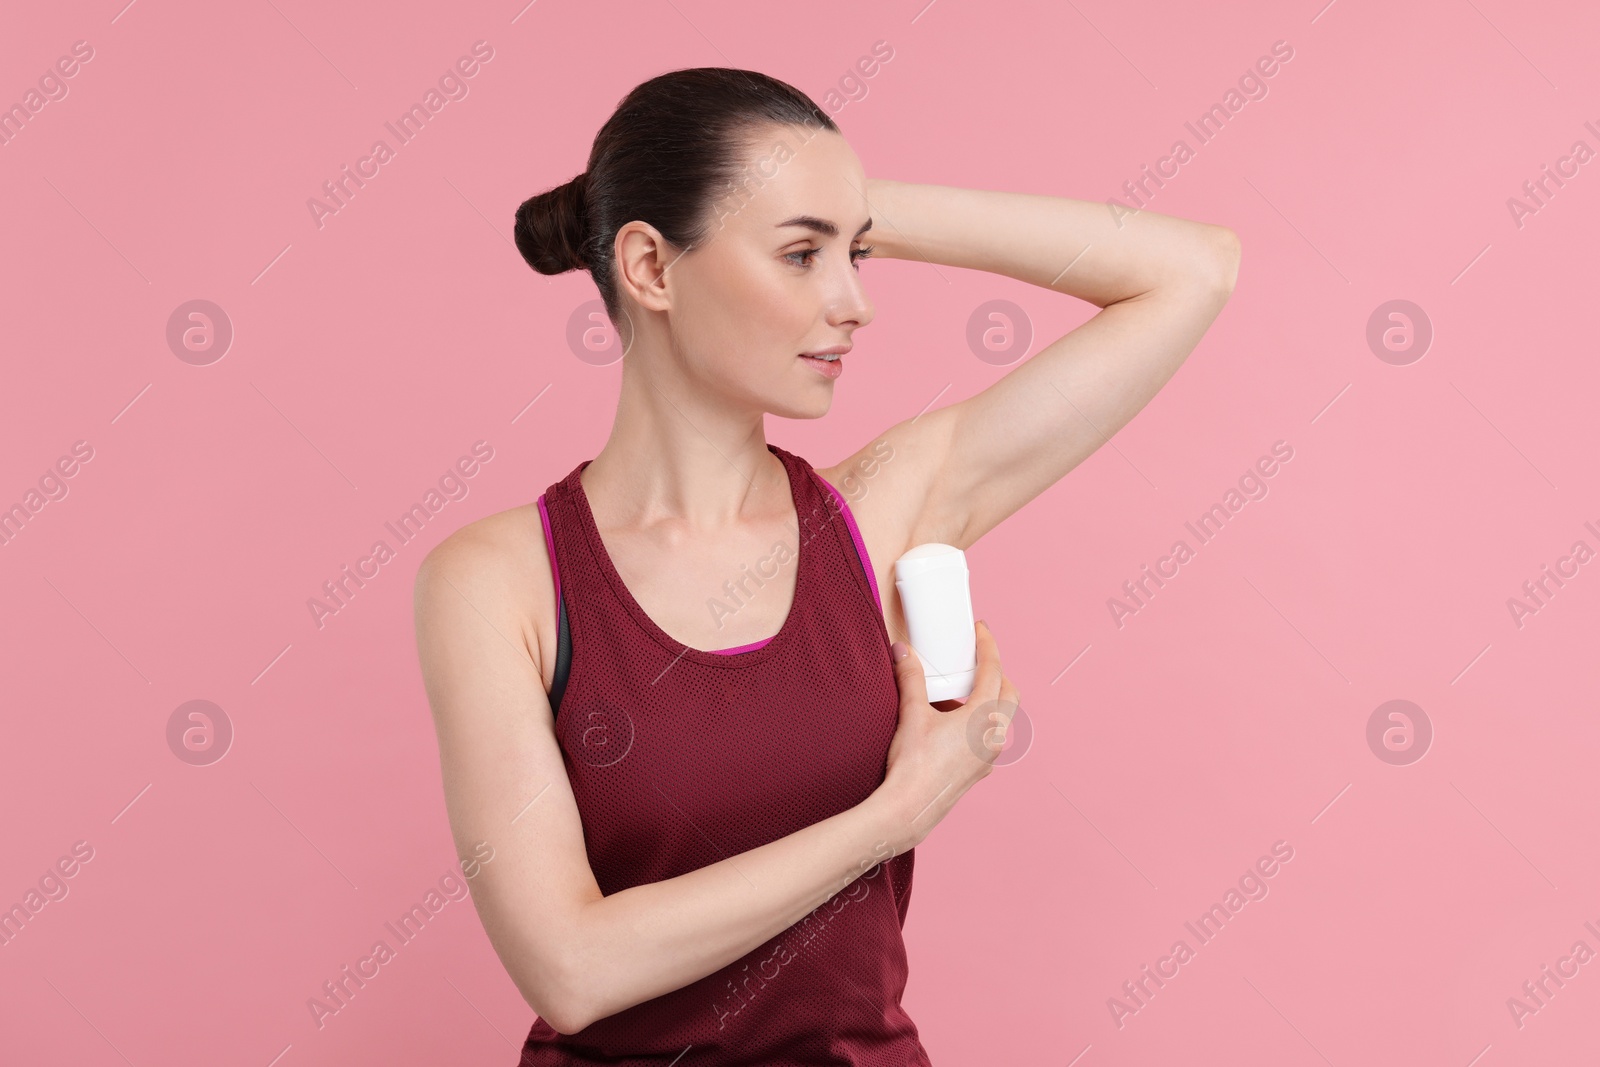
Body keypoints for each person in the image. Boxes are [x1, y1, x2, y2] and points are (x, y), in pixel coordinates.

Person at [413, 66, 1238, 1065]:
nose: (856, 302)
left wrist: (842, 206)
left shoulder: (877, 512)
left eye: (857, 253)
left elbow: (1193, 269)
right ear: (650, 267)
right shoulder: (497, 580)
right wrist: (896, 813)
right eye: (801, 254)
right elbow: (571, 970)